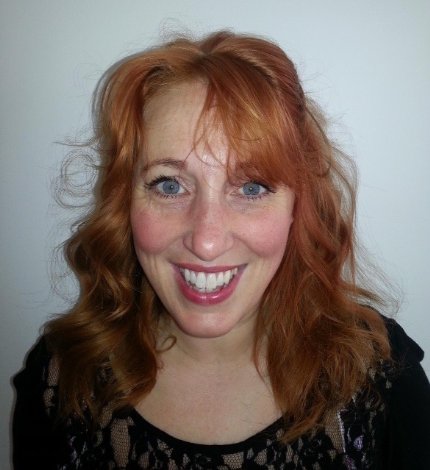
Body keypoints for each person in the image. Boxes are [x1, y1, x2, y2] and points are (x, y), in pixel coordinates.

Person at [12, 30, 430, 469]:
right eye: (169, 185)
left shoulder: (381, 376)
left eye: (251, 188)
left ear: (298, 207)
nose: (206, 241)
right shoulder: (62, 379)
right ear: (125, 203)